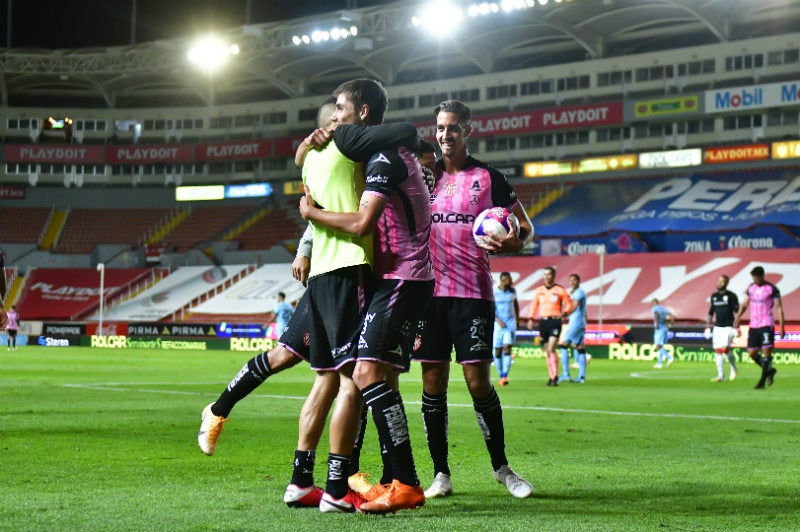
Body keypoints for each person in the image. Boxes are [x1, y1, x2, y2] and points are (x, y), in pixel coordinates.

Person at [298, 78, 421, 513]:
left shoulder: (381, 155)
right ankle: (393, 480)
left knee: (361, 376)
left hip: (401, 276)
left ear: (362, 113)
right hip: (395, 275)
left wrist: (311, 215)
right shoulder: (380, 152)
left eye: (342, 109)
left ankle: (385, 483)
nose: (336, 117)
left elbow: (361, 224)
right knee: (377, 376)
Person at [412, 99, 534, 500]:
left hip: (473, 293)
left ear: (468, 130)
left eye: (453, 128)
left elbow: (526, 228)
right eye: (440, 128)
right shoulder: (421, 177)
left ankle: (502, 468)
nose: (446, 135)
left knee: (478, 380)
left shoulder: (489, 177)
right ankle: (441, 474)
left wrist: (515, 242)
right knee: (433, 384)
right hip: (428, 294)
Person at [733, 266, 785, 389]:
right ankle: (770, 371)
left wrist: (782, 326)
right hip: (754, 325)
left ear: (762, 276)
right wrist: (738, 317)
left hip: (766, 323)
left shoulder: (772, 289)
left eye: (757, 278)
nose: (755, 280)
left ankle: (761, 382)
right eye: (753, 278)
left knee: (766, 353)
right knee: (751, 353)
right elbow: (745, 304)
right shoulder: (751, 288)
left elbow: (779, 308)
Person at [527, 266, 573, 386]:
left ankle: (555, 376)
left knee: (552, 348)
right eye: (545, 274)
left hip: (555, 321)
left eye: (549, 274)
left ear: (553, 276)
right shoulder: (539, 290)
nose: (546, 277)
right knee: (547, 350)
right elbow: (534, 305)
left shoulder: (560, 290)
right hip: (543, 322)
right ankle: (551, 376)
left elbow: (569, 304)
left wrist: (564, 313)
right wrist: (531, 318)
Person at [705, 274, 739, 382]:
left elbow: (737, 312)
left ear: (726, 283)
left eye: (722, 281)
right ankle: (721, 376)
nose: (719, 283)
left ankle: (733, 368)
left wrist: (737, 326)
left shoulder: (732, 296)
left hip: (728, 326)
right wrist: (707, 327)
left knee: (725, 349)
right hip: (717, 327)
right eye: (718, 281)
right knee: (718, 351)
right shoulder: (714, 296)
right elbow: (711, 312)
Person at [559, 273, 588, 383]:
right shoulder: (574, 293)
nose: (572, 282)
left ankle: (566, 374)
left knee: (563, 345)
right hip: (580, 323)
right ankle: (582, 377)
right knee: (580, 348)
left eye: (574, 280)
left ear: (578, 281)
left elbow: (575, 306)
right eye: (571, 280)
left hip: (576, 323)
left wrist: (563, 314)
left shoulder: (579, 293)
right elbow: (583, 310)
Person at [492, 272, 518, 387]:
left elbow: (516, 304)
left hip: (510, 323)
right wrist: (498, 320)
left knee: (507, 348)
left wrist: (518, 318)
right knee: (498, 351)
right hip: (498, 324)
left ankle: (504, 376)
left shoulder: (513, 291)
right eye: (508, 280)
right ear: (502, 280)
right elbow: (490, 308)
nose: (511, 281)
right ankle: (500, 374)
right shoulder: (494, 292)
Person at [651, 298, 675, 368]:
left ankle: (669, 358)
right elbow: (673, 317)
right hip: (665, 329)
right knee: (661, 346)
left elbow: (656, 315)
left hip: (659, 329)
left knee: (657, 346)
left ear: (653, 303)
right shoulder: (664, 309)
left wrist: (657, 325)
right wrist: (670, 324)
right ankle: (659, 363)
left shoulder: (654, 308)